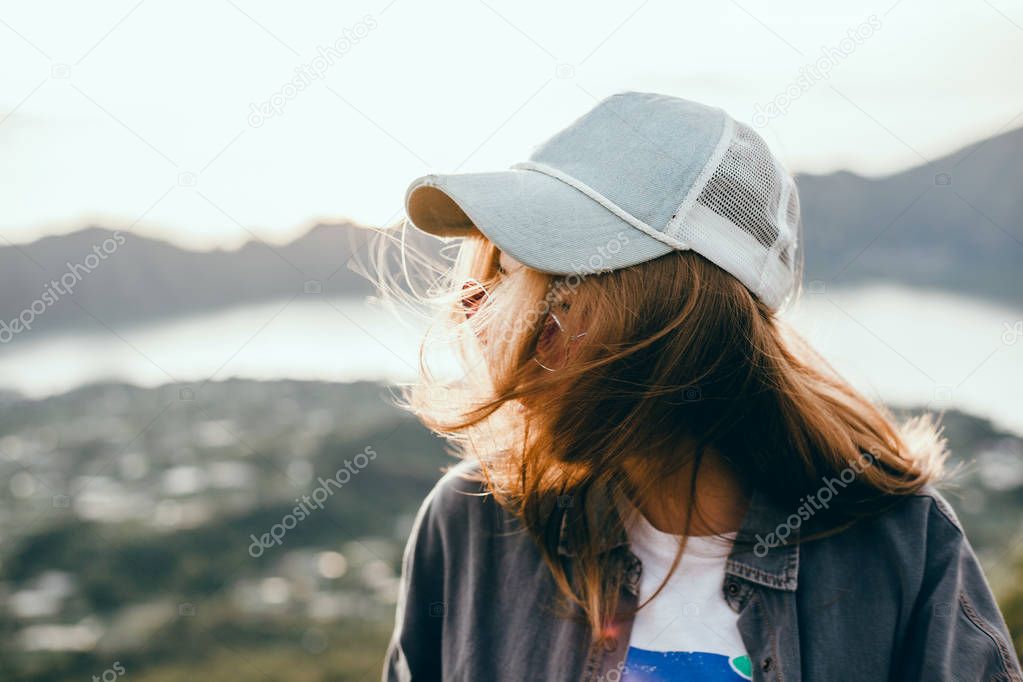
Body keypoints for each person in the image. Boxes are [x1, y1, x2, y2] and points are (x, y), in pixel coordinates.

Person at [379, 92, 1022, 681]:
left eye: (528, 274)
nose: (486, 319)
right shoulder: (468, 525)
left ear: (669, 311)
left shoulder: (901, 548)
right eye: (493, 271)